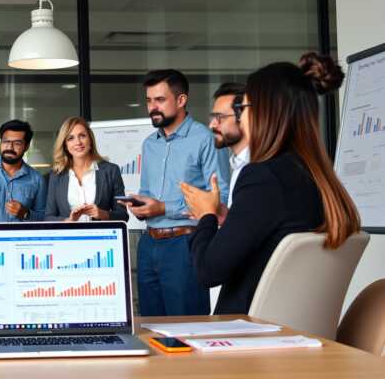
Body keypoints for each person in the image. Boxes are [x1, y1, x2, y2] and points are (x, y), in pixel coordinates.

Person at [180, 52, 361, 314]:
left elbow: (207, 271)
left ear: (266, 112)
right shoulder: (317, 178)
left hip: (248, 336)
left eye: (243, 108)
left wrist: (206, 215)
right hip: (300, 337)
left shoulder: (262, 178)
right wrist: (229, 217)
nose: (240, 118)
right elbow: (272, 234)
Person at [119, 69, 230, 316]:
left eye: (160, 100)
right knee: (150, 327)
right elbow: (148, 191)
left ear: (181, 100)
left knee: (187, 327)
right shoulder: (150, 144)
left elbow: (218, 197)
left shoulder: (205, 139)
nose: (152, 107)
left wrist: (164, 208)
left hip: (185, 244)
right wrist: (141, 206)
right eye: (149, 100)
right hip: (149, 243)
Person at [45, 117, 128, 222]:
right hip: (69, 237)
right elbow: (48, 217)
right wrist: (68, 221)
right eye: (71, 138)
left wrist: (102, 214)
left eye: (82, 136)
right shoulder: (56, 175)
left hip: (102, 237)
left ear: (90, 139)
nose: (78, 142)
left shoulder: (111, 171)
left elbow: (123, 216)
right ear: (65, 144)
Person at [207, 82, 249, 221]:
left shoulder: (258, 169)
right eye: (213, 117)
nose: (212, 125)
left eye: (220, 117)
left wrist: (205, 217)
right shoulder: (238, 163)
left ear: (244, 117)